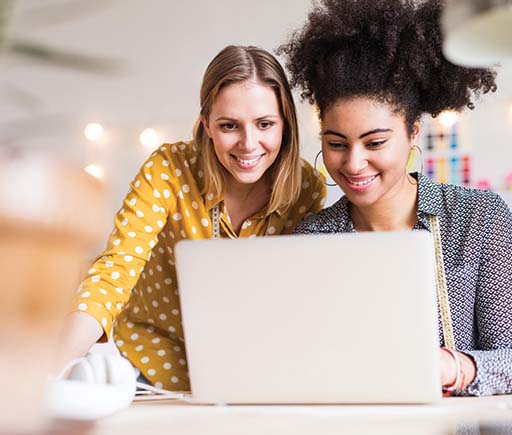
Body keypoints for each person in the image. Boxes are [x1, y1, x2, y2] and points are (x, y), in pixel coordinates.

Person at [278, 0, 512, 396]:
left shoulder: (477, 219)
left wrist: (458, 369)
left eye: (375, 142)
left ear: (413, 133)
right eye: (336, 143)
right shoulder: (311, 238)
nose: (354, 164)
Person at [60, 45, 326, 391]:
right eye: (229, 125)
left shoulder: (307, 188)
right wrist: (51, 368)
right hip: (148, 371)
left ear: (285, 125)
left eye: (264, 124)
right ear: (207, 125)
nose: (249, 143)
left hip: (252, 377)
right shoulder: (169, 169)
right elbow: (115, 271)